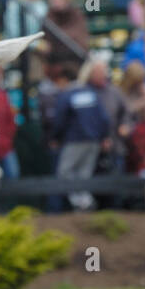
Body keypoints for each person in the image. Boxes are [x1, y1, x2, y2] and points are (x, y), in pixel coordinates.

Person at [51, 71, 111, 209]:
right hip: (94, 141)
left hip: (74, 140)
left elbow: (60, 120)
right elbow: (104, 118)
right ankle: (85, 203)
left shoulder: (66, 95)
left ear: (64, 80)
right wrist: (104, 136)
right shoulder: (91, 93)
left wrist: (55, 138)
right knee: (84, 174)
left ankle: (81, 202)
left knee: (64, 173)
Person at [43, 0, 89, 80]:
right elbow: (46, 41)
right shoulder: (49, 16)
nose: (54, 2)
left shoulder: (76, 14)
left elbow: (80, 38)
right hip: (55, 61)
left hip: (75, 60)